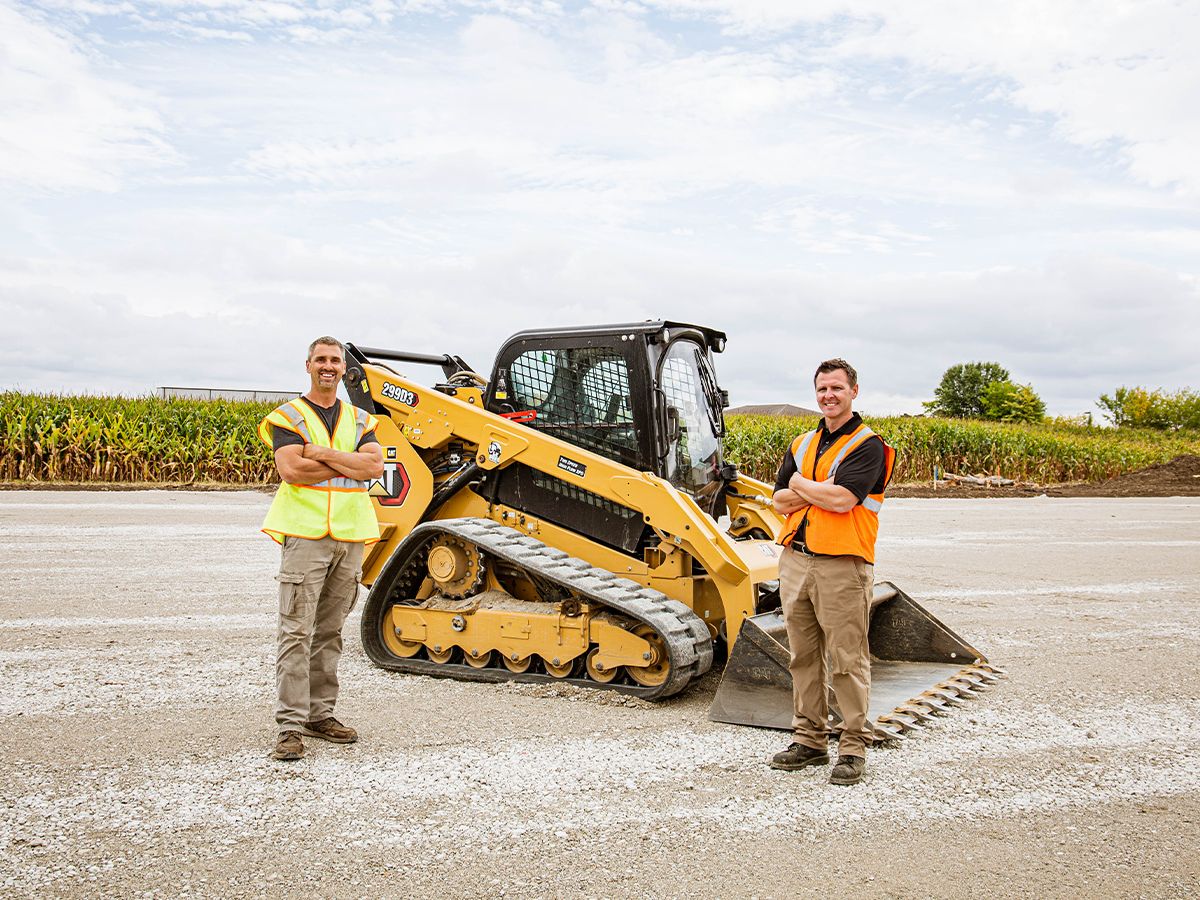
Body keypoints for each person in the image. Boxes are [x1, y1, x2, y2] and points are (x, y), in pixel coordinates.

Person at [257, 336, 385, 762]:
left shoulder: (361, 419)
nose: (328, 366)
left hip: (349, 535)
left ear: (344, 368)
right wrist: (346, 461)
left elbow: (373, 466)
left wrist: (322, 453)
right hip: (305, 534)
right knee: (296, 631)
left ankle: (320, 715)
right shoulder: (288, 416)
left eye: (335, 360)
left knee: (330, 631)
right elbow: (292, 469)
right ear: (308, 365)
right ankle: (290, 727)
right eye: (321, 360)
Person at [768, 358, 895, 786]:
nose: (829, 396)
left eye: (837, 388)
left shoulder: (868, 445)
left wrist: (800, 485)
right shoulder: (803, 443)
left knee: (846, 658)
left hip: (842, 564)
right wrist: (815, 490)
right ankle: (810, 740)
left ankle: (853, 746)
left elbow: (842, 500)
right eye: (822, 389)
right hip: (796, 559)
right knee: (802, 656)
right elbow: (778, 502)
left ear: (854, 391)